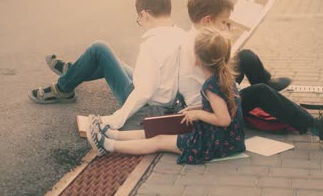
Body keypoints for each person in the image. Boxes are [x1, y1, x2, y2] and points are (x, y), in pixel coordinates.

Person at [180, 0, 323, 148]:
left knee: (245, 57)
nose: (225, 26)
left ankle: (270, 86)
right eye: (223, 22)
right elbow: (217, 87)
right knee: (260, 92)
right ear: (208, 20)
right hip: (212, 107)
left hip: (215, 92)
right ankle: (320, 129)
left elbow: (219, 71)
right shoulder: (197, 50)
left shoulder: (198, 38)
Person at [29, 0, 186, 130]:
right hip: (164, 96)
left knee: (100, 48)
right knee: (115, 62)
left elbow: (143, 93)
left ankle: (63, 88)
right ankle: (74, 71)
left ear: (144, 15)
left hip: (147, 105)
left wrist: (116, 119)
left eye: (139, 19)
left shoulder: (151, 46)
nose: (141, 23)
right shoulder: (182, 35)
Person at [87, 27, 246, 164]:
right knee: (155, 129)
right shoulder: (221, 78)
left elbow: (224, 119)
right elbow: (219, 106)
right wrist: (196, 108)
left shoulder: (211, 85)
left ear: (198, 60)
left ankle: (108, 146)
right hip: (223, 138)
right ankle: (112, 134)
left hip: (215, 143)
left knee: (159, 140)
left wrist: (198, 113)